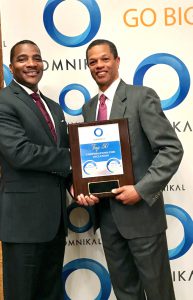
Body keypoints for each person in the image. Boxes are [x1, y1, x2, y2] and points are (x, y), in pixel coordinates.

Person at [76, 39, 184, 300]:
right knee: (126, 293)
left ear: (117, 61)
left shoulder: (140, 96)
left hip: (141, 216)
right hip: (108, 218)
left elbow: (171, 149)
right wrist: (84, 190)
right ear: (88, 67)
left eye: (104, 59)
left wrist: (141, 189)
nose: (99, 65)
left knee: (159, 293)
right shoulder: (89, 107)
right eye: (93, 61)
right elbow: (91, 161)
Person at [0, 40, 71, 300]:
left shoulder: (53, 107)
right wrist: (73, 159)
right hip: (23, 224)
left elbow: (62, 161)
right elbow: (20, 153)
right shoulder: (4, 101)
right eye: (22, 59)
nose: (31, 63)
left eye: (36, 58)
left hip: (55, 223)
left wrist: (78, 183)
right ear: (11, 66)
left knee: (50, 294)